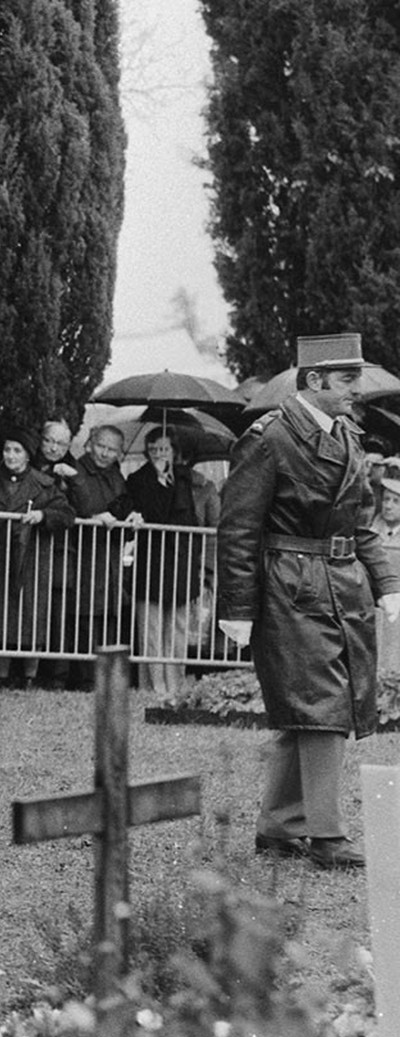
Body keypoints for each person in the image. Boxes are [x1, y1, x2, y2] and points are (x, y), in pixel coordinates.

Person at [218, 332, 400, 870]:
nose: (356, 392)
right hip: (290, 586)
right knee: (323, 707)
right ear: (314, 381)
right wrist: (236, 607)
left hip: (340, 584)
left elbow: (362, 524)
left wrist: (388, 583)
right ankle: (327, 834)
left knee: (311, 709)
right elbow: (238, 528)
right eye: (347, 381)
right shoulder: (269, 438)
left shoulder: (346, 436)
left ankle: (279, 825)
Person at [0, 426, 76, 690]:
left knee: (32, 614)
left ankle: (30, 674)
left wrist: (43, 516)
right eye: (7, 450)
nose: (11, 456)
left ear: (28, 455)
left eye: (17, 451)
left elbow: (67, 513)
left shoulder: (44, 484)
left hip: (32, 559)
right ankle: (0, 673)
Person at [126, 426, 208, 695]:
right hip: (152, 561)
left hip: (181, 563)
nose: (159, 454)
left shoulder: (186, 480)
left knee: (179, 629)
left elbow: (190, 519)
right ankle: (154, 686)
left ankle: (175, 684)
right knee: (150, 628)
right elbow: (155, 514)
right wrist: (159, 483)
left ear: (174, 452)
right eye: (153, 449)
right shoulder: (138, 479)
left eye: (164, 449)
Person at [61, 424, 140, 689]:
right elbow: (70, 507)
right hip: (83, 554)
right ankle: (83, 679)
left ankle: (104, 678)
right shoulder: (77, 469)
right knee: (84, 616)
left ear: (119, 453)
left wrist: (132, 517)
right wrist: (92, 517)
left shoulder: (117, 477)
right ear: (90, 443)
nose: (104, 453)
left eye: (112, 449)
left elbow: (125, 506)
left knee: (108, 616)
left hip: (110, 557)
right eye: (101, 446)